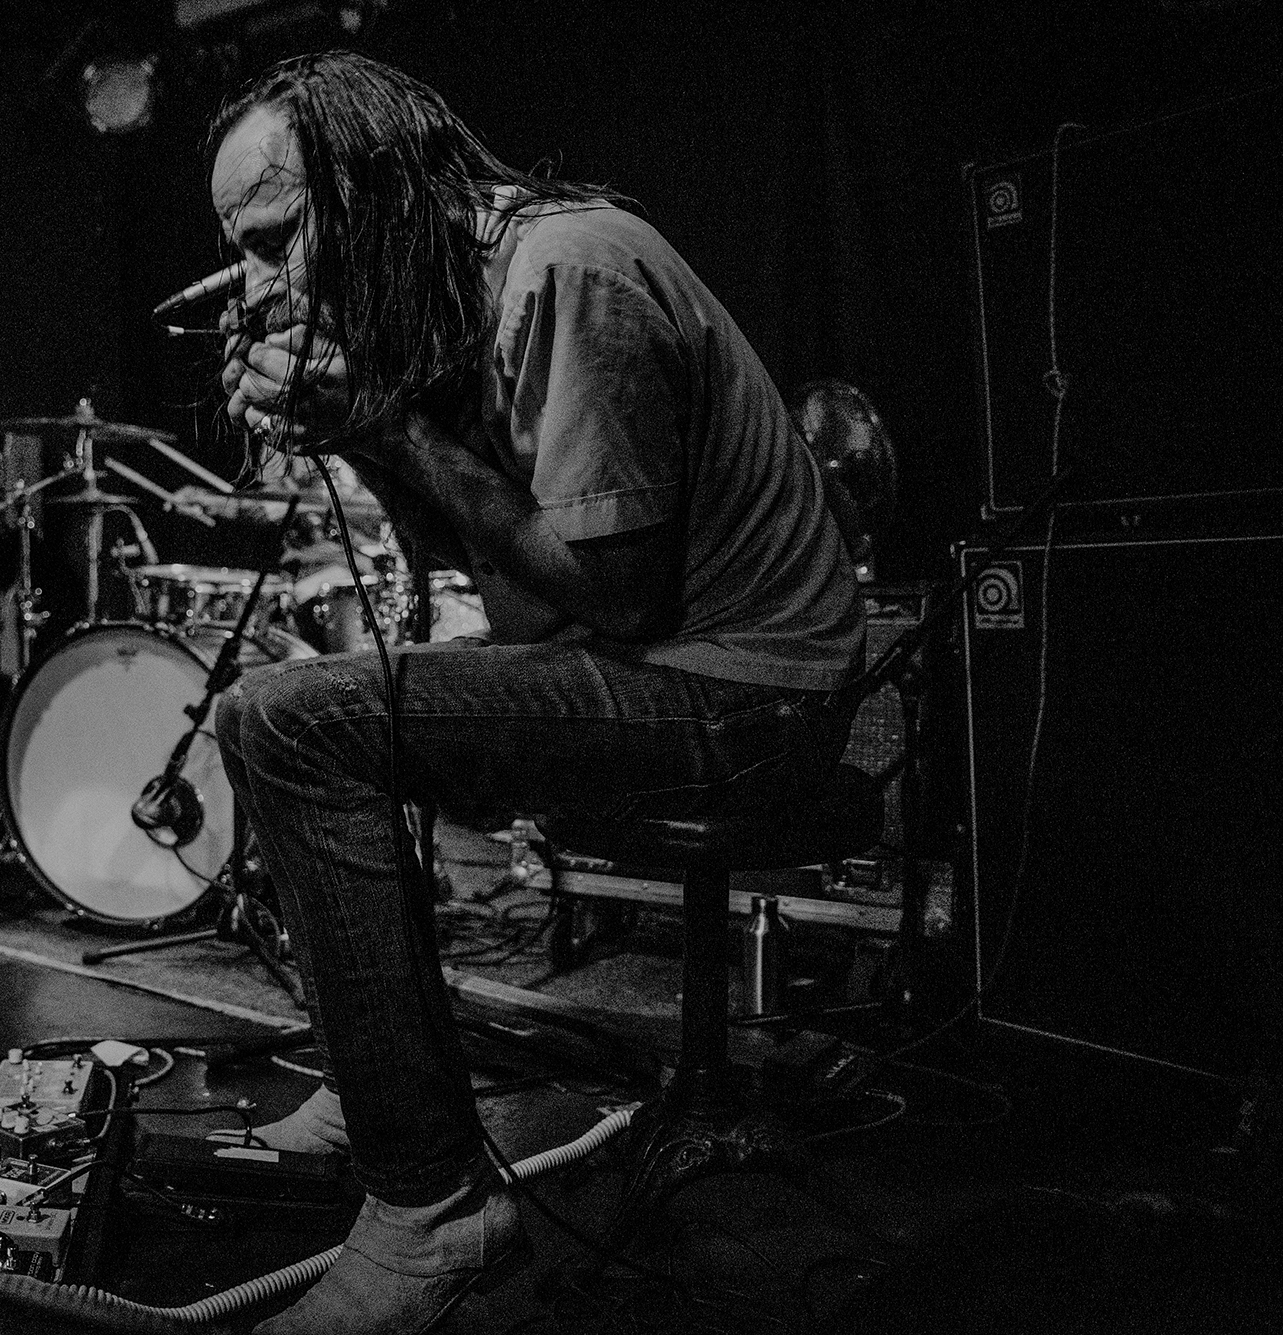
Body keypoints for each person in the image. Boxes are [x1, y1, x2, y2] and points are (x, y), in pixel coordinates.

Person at [203, 54, 865, 1334]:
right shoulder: (461, 293)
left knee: (279, 720)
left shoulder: (565, 271)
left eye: (277, 238)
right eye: (242, 254)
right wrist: (359, 427)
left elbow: (611, 596)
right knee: (332, 706)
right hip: (665, 669)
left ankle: (430, 1208)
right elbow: (486, 565)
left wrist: (391, 425)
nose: (260, 284)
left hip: (747, 699)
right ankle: (372, 1084)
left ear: (379, 185)